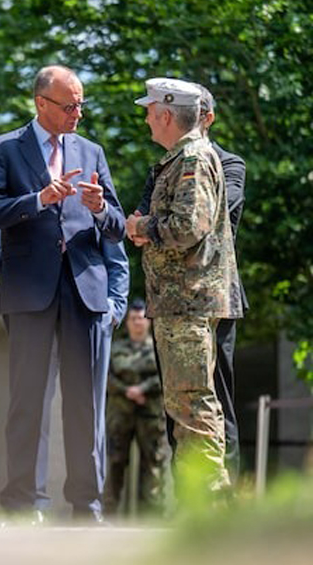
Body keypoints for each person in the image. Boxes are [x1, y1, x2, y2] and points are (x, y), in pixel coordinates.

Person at [0, 65, 125, 523]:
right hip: (30, 292)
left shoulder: (93, 151)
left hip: (85, 292)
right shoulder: (3, 149)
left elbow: (117, 225)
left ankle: (87, 504)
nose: (78, 112)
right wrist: (38, 200)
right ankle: (23, 503)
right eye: (69, 104)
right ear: (42, 103)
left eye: (80, 103)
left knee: (85, 404)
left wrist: (100, 209)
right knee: (28, 403)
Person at [126, 77, 242, 496]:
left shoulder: (191, 157)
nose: (146, 120)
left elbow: (189, 226)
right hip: (182, 301)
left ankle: (209, 500)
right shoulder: (183, 157)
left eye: (149, 111)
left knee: (192, 401)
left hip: (187, 301)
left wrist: (141, 226)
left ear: (166, 115)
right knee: (187, 401)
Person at [0, 233, 129, 514]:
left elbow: (117, 259)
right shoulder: (26, 196)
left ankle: (88, 505)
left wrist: (114, 307)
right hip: (34, 315)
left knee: (88, 410)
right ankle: (32, 502)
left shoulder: (92, 192)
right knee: (32, 409)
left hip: (87, 316)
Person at [103, 299, 167, 516]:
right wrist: (126, 390)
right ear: (127, 321)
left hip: (150, 414)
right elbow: (106, 375)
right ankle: (107, 514)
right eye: (133, 319)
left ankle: (151, 516)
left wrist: (143, 389)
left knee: (153, 465)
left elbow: (164, 376)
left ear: (148, 321)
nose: (137, 322)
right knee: (114, 463)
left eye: (141, 318)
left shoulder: (159, 348)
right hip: (119, 413)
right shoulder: (116, 347)